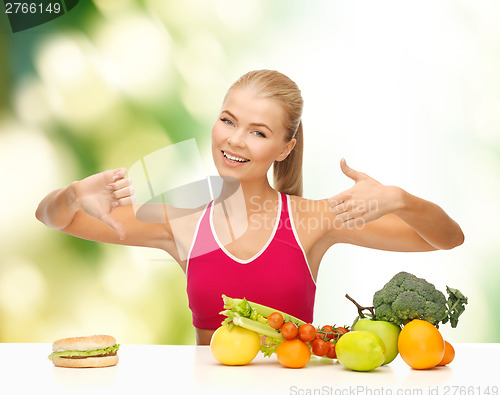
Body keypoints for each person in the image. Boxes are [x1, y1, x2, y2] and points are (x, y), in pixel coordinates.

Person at [36, 70, 464, 345]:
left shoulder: (311, 219)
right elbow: (55, 219)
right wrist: (73, 194)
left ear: (285, 147)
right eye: (228, 120)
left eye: (258, 132)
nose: (235, 140)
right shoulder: (181, 222)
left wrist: (401, 200)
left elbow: (445, 240)